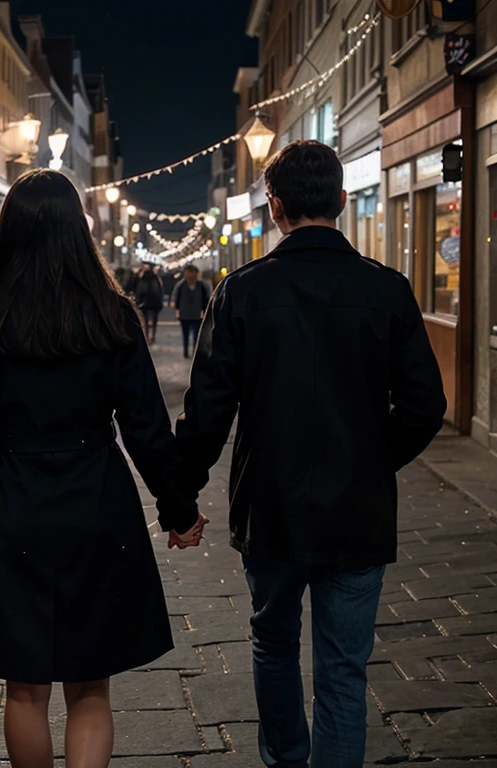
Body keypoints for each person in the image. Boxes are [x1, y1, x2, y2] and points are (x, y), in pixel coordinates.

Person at [0, 169, 208, 768]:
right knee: (91, 685)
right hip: (98, 500)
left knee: (24, 685)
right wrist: (179, 508)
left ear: (8, 232)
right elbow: (146, 428)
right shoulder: (113, 316)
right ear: (78, 233)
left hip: (13, 502)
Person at [175, 140, 447, 768]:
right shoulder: (388, 289)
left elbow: (208, 413)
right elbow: (424, 406)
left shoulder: (241, 292)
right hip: (359, 508)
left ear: (275, 207)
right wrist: (375, 460)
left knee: (273, 644)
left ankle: (285, 761)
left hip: (271, 506)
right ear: (342, 202)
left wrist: (180, 496)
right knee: (345, 668)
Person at [171, 264, 210, 358]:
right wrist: (177, 310)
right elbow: (176, 299)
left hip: (197, 314)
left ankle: (195, 351)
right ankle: (186, 351)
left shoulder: (202, 285)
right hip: (184, 314)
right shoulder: (181, 285)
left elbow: (206, 299)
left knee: (196, 334)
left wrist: (205, 311)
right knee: (186, 334)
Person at [133, 263, 164, 345]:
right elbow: (160, 292)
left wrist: (138, 301)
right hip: (155, 303)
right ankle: (152, 336)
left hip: (145, 303)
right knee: (154, 321)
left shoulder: (143, 281)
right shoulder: (156, 280)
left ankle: (146, 336)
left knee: (145, 320)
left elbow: (139, 292)